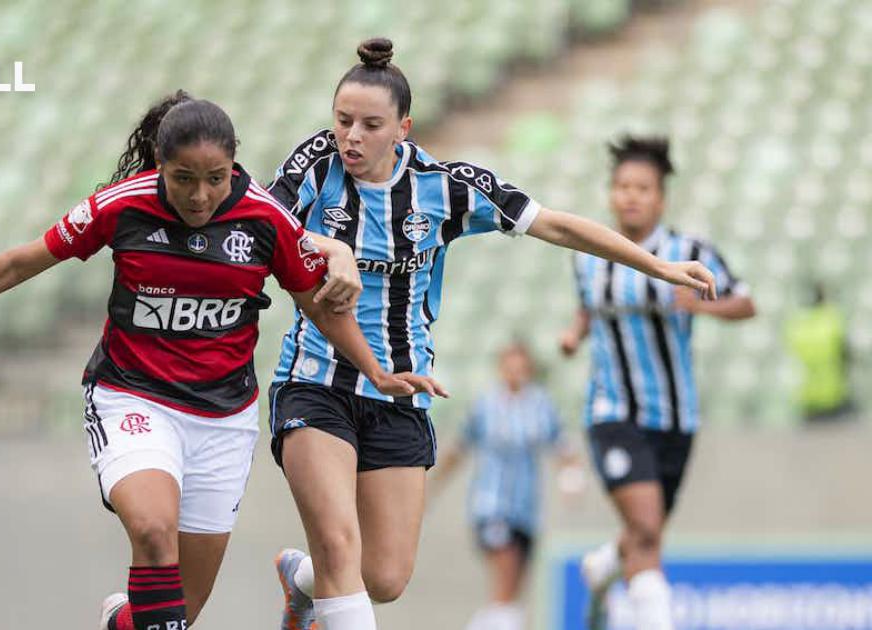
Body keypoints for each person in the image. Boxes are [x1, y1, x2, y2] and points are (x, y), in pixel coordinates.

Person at [0, 91, 438, 630]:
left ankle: (122, 619)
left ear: (234, 168)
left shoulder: (265, 218)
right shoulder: (122, 206)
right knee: (154, 530)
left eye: (214, 180)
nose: (199, 196)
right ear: (159, 166)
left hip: (222, 419)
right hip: (133, 397)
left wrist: (376, 371)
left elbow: (316, 303)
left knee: (175, 613)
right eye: (184, 179)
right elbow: (20, 262)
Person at [263, 38, 717, 630]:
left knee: (385, 578)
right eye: (343, 120)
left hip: (401, 389)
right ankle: (318, 573)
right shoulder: (314, 165)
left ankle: (298, 579)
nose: (351, 136)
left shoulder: (444, 187)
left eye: (370, 125)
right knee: (339, 545)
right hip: (313, 380)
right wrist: (328, 246)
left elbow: (554, 223)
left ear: (403, 128)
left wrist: (656, 266)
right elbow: (262, 223)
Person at [559, 135, 756, 630]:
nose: (631, 196)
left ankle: (605, 564)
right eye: (622, 186)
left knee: (643, 532)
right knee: (647, 530)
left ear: (660, 197)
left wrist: (705, 304)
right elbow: (589, 306)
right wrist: (574, 333)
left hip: (675, 416)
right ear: (611, 193)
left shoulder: (690, 251)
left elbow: (746, 303)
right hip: (613, 412)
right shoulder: (587, 255)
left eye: (642, 188)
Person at [429, 342, 584, 630]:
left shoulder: (540, 405)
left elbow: (563, 447)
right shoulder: (485, 405)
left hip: (526, 509)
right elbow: (459, 449)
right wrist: (432, 487)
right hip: (491, 505)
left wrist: (571, 476)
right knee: (505, 575)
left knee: (513, 591)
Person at [784, 282, 855, 423]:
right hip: (833, 396)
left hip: (806, 397)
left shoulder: (795, 322)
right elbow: (845, 353)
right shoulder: (833, 318)